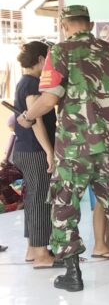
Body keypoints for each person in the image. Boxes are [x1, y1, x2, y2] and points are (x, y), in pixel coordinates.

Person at [18, 5, 109, 291]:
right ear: (90, 24)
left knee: (64, 203)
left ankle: (73, 272)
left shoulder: (60, 53)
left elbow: (50, 99)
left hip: (76, 146)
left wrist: (27, 117)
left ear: (64, 26)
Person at [12, 41, 58, 269]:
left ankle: (33, 249)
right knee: (41, 200)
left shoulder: (24, 81)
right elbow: (36, 119)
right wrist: (49, 152)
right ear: (41, 59)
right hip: (35, 150)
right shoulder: (32, 84)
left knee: (33, 199)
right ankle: (41, 254)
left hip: (24, 149)